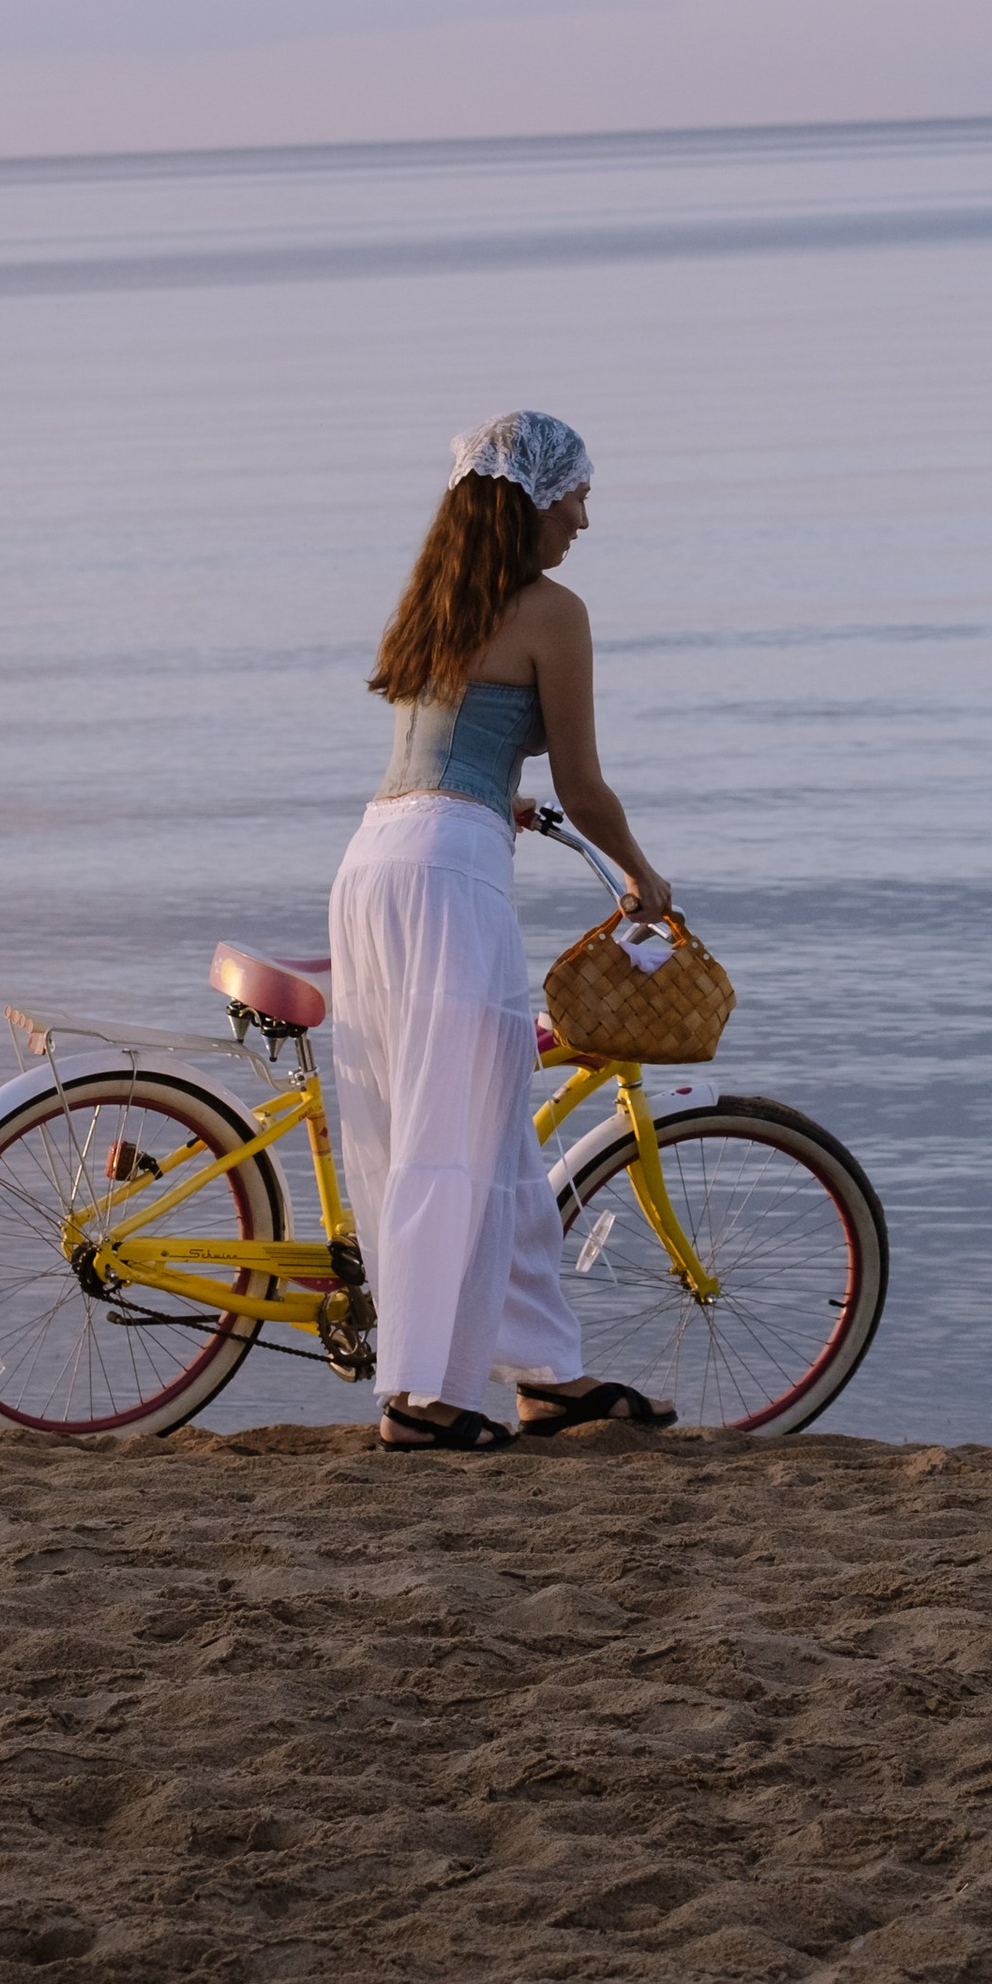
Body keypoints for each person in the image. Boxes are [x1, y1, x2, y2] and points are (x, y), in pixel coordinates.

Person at [328, 410, 680, 1453]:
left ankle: (547, 1376)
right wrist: (643, 876)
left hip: (376, 857)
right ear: (531, 499)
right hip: (449, 877)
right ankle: (419, 1397)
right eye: (575, 497)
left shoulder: (435, 598)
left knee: (471, 1134)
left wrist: (500, 798)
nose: (584, 521)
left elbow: (444, 751)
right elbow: (586, 783)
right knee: (449, 1138)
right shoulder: (553, 613)